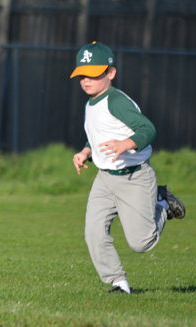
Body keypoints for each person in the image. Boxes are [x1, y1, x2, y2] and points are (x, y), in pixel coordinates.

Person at [70, 42, 185, 294]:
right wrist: (86, 153)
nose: (87, 80)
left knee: (141, 243)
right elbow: (97, 136)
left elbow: (148, 129)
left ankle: (163, 203)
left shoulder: (116, 101)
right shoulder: (91, 104)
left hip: (134, 178)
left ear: (111, 73)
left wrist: (126, 144)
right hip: (104, 179)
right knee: (94, 232)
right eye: (82, 75)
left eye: (94, 74)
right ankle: (118, 282)